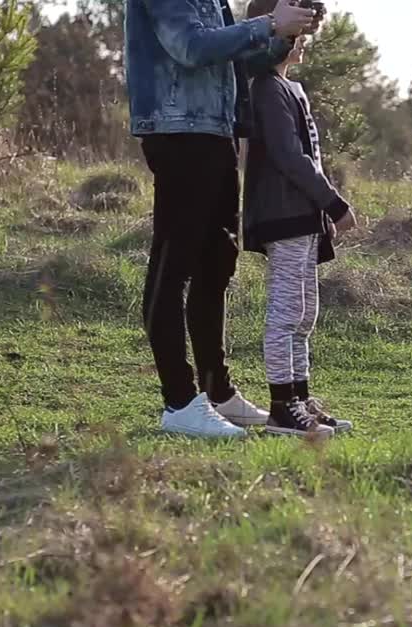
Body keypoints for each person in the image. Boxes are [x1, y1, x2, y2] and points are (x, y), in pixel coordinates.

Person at [125, 0, 319, 438]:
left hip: (216, 132)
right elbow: (190, 48)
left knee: (215, 266)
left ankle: (216, 391)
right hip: (177, 133)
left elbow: (240, 58)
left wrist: (287, 33)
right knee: (172, 269)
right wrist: (268, 22)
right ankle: (179, 401)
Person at [243, 0, 358, 437]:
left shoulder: (294, 88)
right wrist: (333, 203)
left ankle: (300, 397)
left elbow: (311, 156)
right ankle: (280, 407)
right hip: (281, 215)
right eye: (296, 35)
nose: (303, 43)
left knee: (305, 313)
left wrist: (319, 211)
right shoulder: (266, 88)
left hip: (303, 217)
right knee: (286, 312)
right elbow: (291, 158)